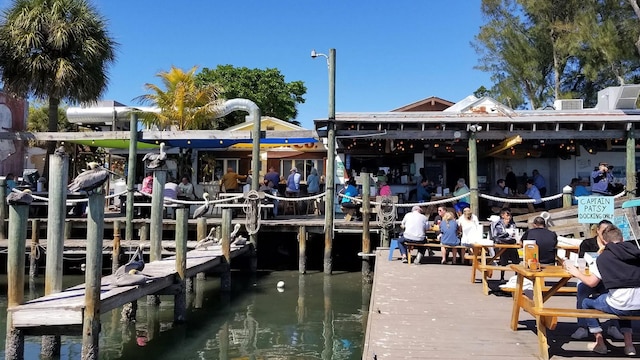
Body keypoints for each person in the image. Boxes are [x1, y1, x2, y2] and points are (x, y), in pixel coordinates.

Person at [564, 225, 640, 356]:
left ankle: (599, 341)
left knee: (586, 302)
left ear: (604, 241)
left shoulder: (603, 258)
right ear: (622, 239)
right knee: (622, 300)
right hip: (638, 303)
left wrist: (576, 272)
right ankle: (629, 345)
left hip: (620, 304)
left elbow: (591, 283)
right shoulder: (637, 253)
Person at [570, 220, 624, 341]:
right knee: (582, 291)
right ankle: (582, 326)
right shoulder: (587, 243)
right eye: (603, 230)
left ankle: (613, 326)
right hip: (590, 275)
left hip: (607, 279)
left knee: (612, 293)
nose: (605, 233)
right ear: (598, 230)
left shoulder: (614, 247)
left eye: (608, 230)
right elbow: (581, 261)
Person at [491, 208, 519, 281]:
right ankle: (502, 277)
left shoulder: (512, 223)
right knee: (503, 261)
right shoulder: (498, 224)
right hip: (502, 243)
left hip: (511, 243)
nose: (509, 217)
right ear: (502, 215)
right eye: (507, 215)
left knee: (516, 261)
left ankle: (516, 278)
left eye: (510, 215)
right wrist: (506, 228)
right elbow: (499, 235)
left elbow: (514, 232)